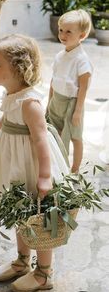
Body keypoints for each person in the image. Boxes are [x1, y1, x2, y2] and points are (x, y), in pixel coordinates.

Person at [0, 34, 69, 292]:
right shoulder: (12, 93)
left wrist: (44, 175)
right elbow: (7, 113)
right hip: (13, 161)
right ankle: (22, 261)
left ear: (17, 70)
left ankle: (44, 273)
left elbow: (41, 139)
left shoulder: (30, 102)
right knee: (19, 210)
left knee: (38, 216)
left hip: (31, 163)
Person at [46, 9, 93, 173]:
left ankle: (75, 169)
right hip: (57, 101)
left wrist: (78, 111)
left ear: (82, 35)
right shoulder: (60, 56)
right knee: (56, 133)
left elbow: (83, 87)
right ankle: (60, 165)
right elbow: (54, 80)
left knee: (75, 136)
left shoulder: (81, 60)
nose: (62, 35)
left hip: (73, 104)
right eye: (61, 30)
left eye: (68, 32)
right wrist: (49, 101)